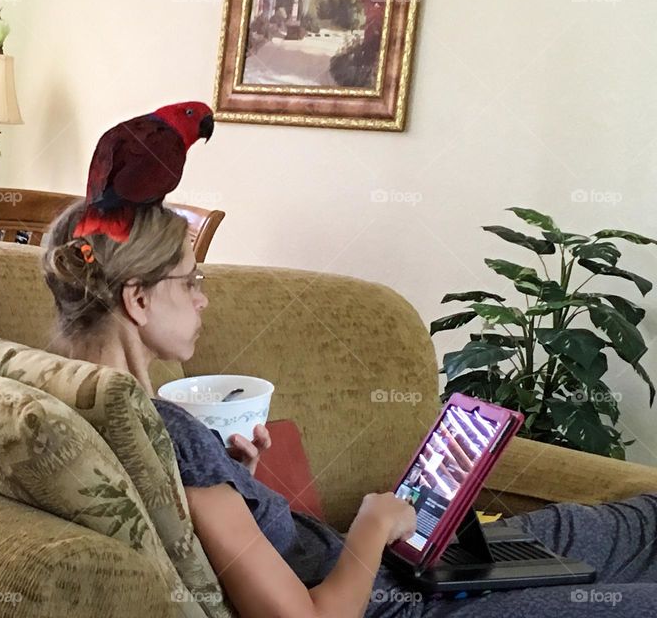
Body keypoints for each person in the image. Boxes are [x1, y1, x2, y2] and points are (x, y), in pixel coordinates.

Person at [42, 200, 657, 618]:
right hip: (394, 604)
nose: (203, 300)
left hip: (390, 573)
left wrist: (242, 487)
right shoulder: (166, 437)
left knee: (633, 524)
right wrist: (371, 522)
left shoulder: (77, 400)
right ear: (139, 299)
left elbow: (209, 526)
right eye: (191, 281)